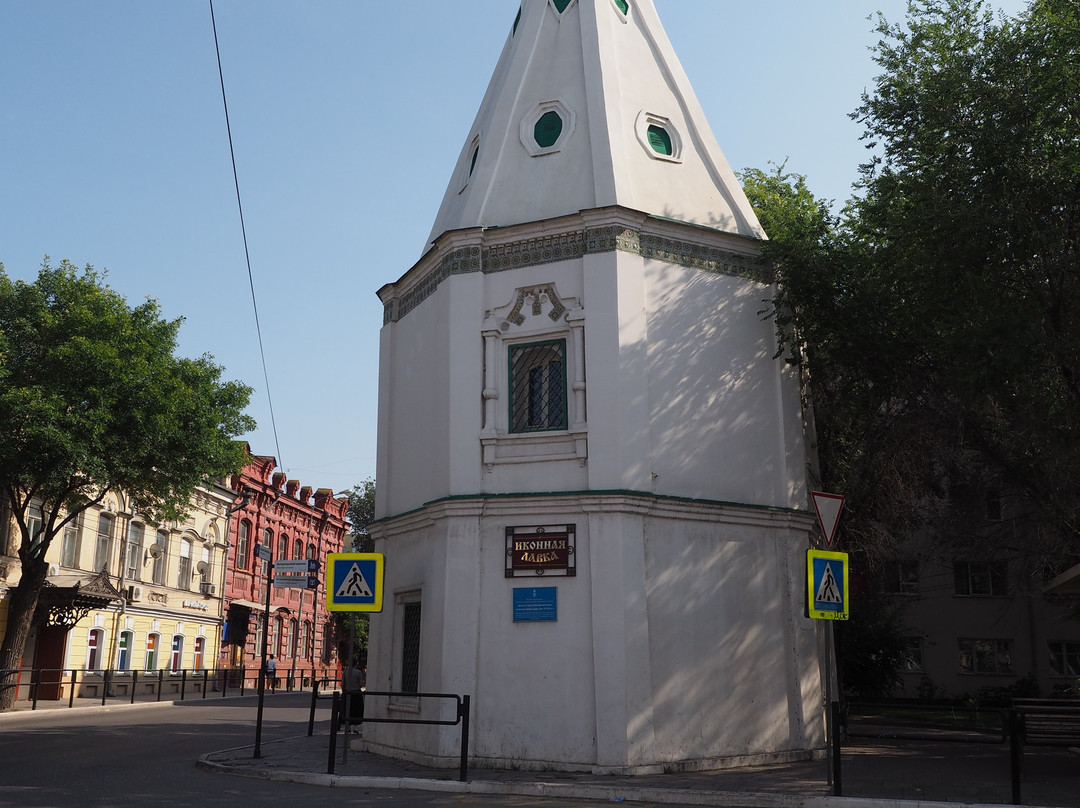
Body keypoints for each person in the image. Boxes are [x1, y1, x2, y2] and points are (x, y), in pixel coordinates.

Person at [344, 662, 366, 728]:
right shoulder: (358, 672)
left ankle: (348, 728)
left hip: (347, 692)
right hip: (356, 693)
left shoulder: (345, 672)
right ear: (356, 664)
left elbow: (343, 683)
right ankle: (355, 728)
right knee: (357, 711)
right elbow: (361, 684)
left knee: (348, 710)